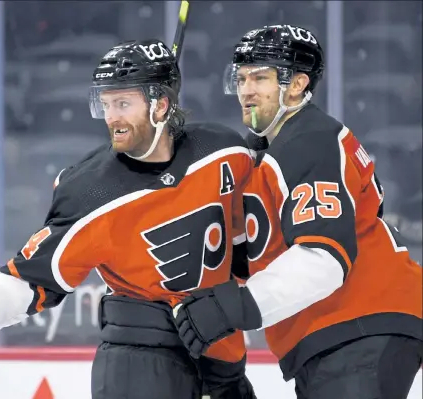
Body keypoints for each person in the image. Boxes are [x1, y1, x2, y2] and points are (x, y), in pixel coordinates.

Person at [0, 39, 257, 399]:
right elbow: (25, 283)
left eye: (122, 103)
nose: (111, 116)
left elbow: (244, 240)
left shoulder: (226, 151)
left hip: (222, 363)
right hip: (141, 362)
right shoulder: (90, 190)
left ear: (161, 105)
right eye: (105, 104)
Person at [173, 25, 423, 399]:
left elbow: (323, 259)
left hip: (360, 323)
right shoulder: (264, 156)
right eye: (240, 78)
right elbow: (247, 256)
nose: (246, 90)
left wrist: (232, 308)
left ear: (297, 85)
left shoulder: (309, 140)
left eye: (260, 77)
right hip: (330, 337)